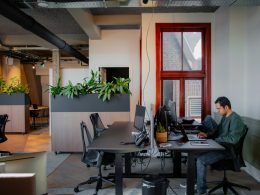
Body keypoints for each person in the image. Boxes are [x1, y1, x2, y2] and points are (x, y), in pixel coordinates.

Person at [195, 96, 247, 194]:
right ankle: (197, 183)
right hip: (220, 147)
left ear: (226, 107)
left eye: (219, 108)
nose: (218, 111)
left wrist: (215, 140)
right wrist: (207, 135)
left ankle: (200, 191)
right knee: (195, 155)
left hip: (227, 151)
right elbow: (218, 131)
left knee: (201, 160)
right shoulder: (225, 117)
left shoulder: (236, 119)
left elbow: (232, 139)